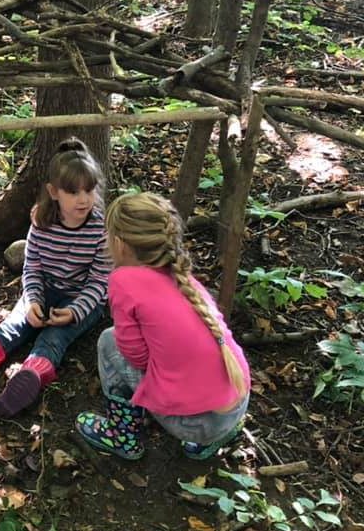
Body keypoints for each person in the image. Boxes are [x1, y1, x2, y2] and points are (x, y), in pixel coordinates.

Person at [0, 137, 110, 417]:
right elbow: (32, 268)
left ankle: (31, 375)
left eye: (89, 190)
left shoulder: (99, 230)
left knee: (53, 339)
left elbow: (100, 282)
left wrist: (74, 311)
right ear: (53, 192)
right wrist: (32, 302)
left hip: (81, 300)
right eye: (73, 191)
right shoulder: (41, 223)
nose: (84, 199)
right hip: (42, 290)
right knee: (13, 325)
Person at [75, 192, 250, 461]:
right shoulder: (179, 275)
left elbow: (136, 357)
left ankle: (122, 436)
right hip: (237, 402)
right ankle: (212, 438)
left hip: (194, 424)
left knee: (108, 341)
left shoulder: (123, 281)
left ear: (120, 245)